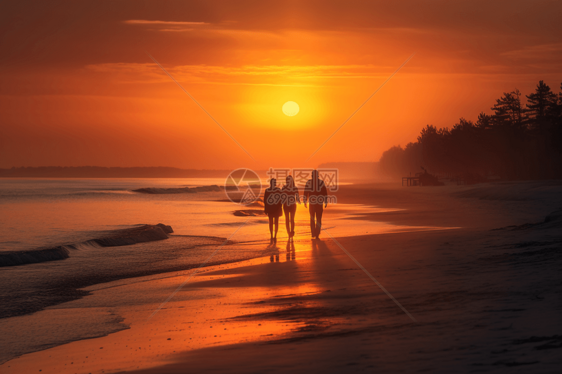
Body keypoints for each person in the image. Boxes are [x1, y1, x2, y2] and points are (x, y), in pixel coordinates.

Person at [303, 170, 328, 239]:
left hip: (313, 203)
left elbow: (306, 192)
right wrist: (325, 201)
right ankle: (316, 233)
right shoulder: (321, 182)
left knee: (313, 218)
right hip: (318, 203)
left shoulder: (309, 182)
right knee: (318, 218)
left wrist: (305, 201)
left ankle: (314, 233)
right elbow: (324, 193)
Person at [264, 178, 283, 244]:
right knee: (275, 222)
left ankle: (272, 235)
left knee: (271, 222)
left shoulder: (267, 190)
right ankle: (274, 235)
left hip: (271, 208)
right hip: (275, 208)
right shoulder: (278, 190)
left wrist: (265, 209)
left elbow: (265, 201)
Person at [281, 175, 300, 240]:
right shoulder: (293, 188)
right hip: (289, 205)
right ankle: (289, 233)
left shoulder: (286, 188)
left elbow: (297, 197)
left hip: (290, 205)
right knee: (289, 219)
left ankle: (290, 232)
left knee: (290, 219)